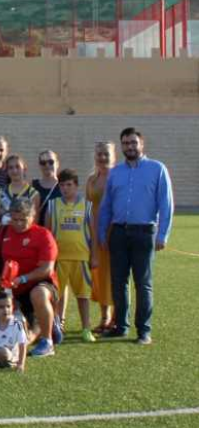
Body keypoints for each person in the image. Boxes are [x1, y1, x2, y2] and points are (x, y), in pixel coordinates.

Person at [97, 127, 174, 345]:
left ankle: (144, 331)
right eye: (125, 143)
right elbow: (106, 206)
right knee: (118, 282)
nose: (130, 147)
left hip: (144, 233)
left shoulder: (157, 169)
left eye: (133, 143)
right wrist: (102, 232)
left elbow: (166, 204)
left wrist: (163, 235)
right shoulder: (116, 172)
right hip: (119, 232)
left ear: (142, 144)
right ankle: (121, 327)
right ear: (122, 146)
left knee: (143, 283)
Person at [0, 197, 58, 357]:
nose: (19, 223)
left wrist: (23, 279)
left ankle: (47, 342)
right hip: (11, 288)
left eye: (23, 219)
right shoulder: (4, 231)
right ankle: (39, 327)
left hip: (38, 284)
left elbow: (47, 269)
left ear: (33, 216)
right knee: (21, 336)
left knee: (38, 294)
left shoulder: (43, 235)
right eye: (15, 219)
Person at [44, 168, 95, 343]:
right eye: (62, 185)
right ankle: (56, 327)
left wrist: (93, 256)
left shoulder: (87, 205)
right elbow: (48, 234)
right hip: (59, 259)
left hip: (81, 258)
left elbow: (93, 234)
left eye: (69, 185)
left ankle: (86, 328)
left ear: (76, 186)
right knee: (55, 296)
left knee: (83, 296)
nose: (65, 188)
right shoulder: (54, 204)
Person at [86, 141, 116, 332]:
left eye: (106, 154)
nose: (102, 158)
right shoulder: (91, 179)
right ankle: (104, 316)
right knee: (98, 275)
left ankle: (117, 317)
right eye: (99, 154)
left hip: (115, 232)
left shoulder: (118, 177)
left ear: (113, 156)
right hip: (94, 233)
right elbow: (88, 208)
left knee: (115, 276)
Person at [32, 150, 62, 227]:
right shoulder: (33, 185)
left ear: (57, 164)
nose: (47, 165)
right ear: (39, 165)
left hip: (58, 232)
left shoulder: (64, 185)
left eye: (51, 162)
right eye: (43, 163)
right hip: (38, 231)